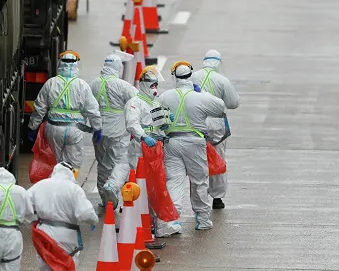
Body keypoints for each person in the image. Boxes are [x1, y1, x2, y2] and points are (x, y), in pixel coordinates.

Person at [102, 66, 182, 237]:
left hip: (155, 149)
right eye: (152, 85)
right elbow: (132, 124)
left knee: (154, 185)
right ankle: (141, 220)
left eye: (156, 86)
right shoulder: (134, 103)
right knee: (145, 184)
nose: (155, 89)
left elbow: (160, 123)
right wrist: (144, 137)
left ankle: (153, 221)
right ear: (144, 85)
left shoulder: (155, 103)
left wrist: (167, 122)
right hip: (141, 148)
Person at [27, 162, 98, 271]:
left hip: (44, 237)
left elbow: (25, 209)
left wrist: (36, 218)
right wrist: (94, 222)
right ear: (70, 173)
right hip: (68, 238)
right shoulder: (74, 190)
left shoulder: (39, 186)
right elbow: (86, 215)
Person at [159, 61, 226, 231]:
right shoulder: (200, 97)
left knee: (174, 181)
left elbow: (156, 117)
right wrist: (201, 92)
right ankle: (203, 219)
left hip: (172, 143)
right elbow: (220, 108)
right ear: (191, 75)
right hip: (195, 143)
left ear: (175, 77)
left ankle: (172, 221)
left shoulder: (166, 96)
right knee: (199, 181)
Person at [27, 51, 103, 174]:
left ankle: (55, 189)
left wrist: (32, 127)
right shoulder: (82, 85)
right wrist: (98, 128)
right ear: (76, 65)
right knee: (73, 165)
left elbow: (39, 108)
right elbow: (92, 110)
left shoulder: (51, 83)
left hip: (53, 129)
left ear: (60, 64)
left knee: (54, 164)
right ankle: (69, 187)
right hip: (75, 130)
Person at [191, 50, 241, 209]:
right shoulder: (222, 80)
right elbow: (233, 103)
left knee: (196, 160)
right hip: (216, 126)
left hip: (195, 122)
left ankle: (199, 196)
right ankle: (217, 198)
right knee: (217, 159)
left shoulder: (192, 77)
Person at [89, 54, 138, 207]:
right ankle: (112, 185)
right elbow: (138, 101)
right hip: (118, 132)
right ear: (118, 67)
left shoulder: (93, 84)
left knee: (103, 164)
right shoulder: (122, 85)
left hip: (98, 131)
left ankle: (106, 200)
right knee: (122, 162)